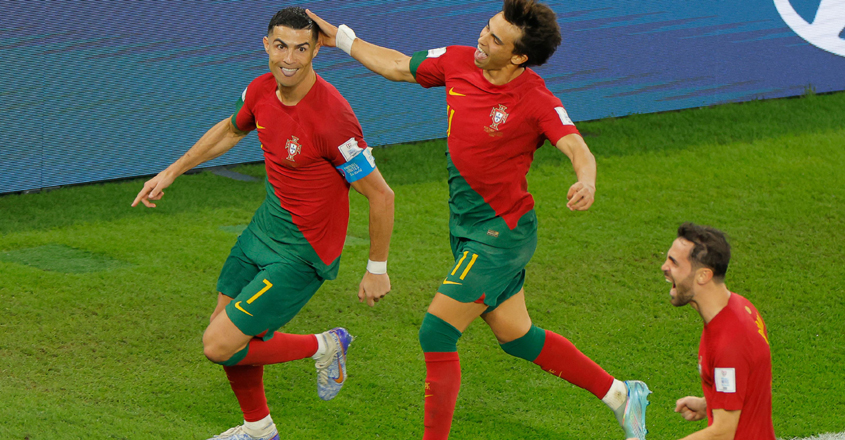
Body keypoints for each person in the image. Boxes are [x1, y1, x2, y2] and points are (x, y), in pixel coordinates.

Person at [306, 1, 650, 438]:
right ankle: (622, 395)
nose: (482, 41)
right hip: (468, 228)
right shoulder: (457, 61)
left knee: (435, 332)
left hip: (500, 235)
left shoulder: (536, 99)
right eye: (486, 29)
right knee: (518, 336)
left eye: (496, 39)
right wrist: (341, 38)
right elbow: (396, 65)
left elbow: (577, 147)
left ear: (520, 56)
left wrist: (588, 181)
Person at [131, 7, 395, 440]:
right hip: (265, 228)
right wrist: (171, 171)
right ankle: (259, 430)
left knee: (218, 344)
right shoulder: (260, 91)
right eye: (280, 46)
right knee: (228, 333)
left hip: (304, 250)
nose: (289, 58)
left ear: (315, 51)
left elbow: (381, 194)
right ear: (266, 46)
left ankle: (326, 344)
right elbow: (230, 131)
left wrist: (376, 268)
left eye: (301, 48)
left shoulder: (333, 117)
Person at [661, 223, 775, 440]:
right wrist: (711, 403)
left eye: (674, 262)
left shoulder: (729, 343)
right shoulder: (741, 306)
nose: (664, 267)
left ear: (703, 275)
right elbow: (748, 381)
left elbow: (723, 433)